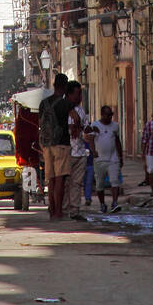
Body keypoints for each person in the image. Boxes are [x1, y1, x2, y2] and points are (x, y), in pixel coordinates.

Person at [38, 73, 71, 221]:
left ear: (54, 85)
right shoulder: (65, 104)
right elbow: (76, 118)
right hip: (61, 144)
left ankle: (51, 210)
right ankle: (59, 211)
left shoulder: (43, 103)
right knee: (60, 180)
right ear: (64, 86)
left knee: (50, 179)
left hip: (46, 145)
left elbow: (40, 123)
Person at [89, 105, 124, 212]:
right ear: (102, 115)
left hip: (113, 159)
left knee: (115, 181)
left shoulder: (115, 126)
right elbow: (91, 139)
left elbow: (117, 141)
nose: (109, 117)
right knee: (100, 184)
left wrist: (120, 156)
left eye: (111, 115)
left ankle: (114, 202)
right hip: (99, 159)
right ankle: (102, 204)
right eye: (107, 115)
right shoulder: (95, 125)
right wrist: (93, 151)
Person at [64, 81, 90, 221]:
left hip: (80, 151)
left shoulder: (80, 110)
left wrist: (87, 129)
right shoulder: (62, 109)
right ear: (69, 94)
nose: (80, 96)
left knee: (77, 183)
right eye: (77, 93)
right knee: (65, 182)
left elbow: (85, 128)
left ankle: (74, 210)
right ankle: (62, 209)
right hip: (67, 151)